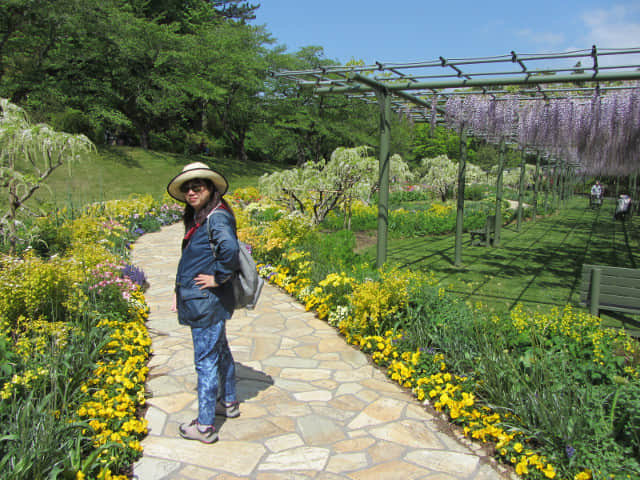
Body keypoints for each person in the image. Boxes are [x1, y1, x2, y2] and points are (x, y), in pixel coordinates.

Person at [167, 161, 240, 444]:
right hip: (204, 300)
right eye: (187, 188)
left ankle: (206, 425)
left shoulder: (217, 217)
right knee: (219, 350)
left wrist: (218, 278)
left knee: (206, 361)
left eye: (197, 186)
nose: (191, 192)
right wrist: (178, 289)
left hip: (206, 301)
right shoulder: (201, 216)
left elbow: (229, 250)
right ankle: (229, 402)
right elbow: (192, 258)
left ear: (210, 188)